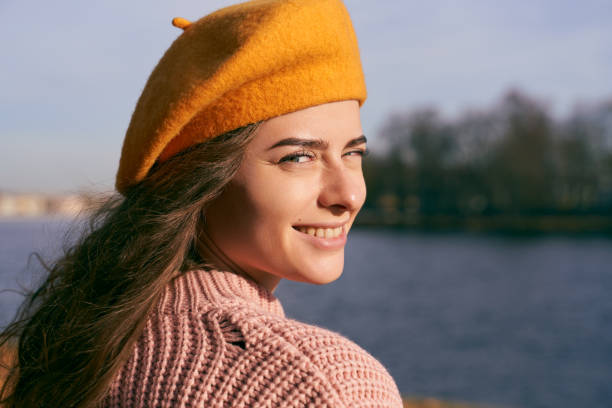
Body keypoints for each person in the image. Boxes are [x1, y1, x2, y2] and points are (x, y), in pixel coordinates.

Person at [0, 0, 403, 406]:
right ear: (201, 179)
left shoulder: (100, 331)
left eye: (354, 153)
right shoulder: (323, 387)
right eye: (298, 157)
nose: (349, 195)